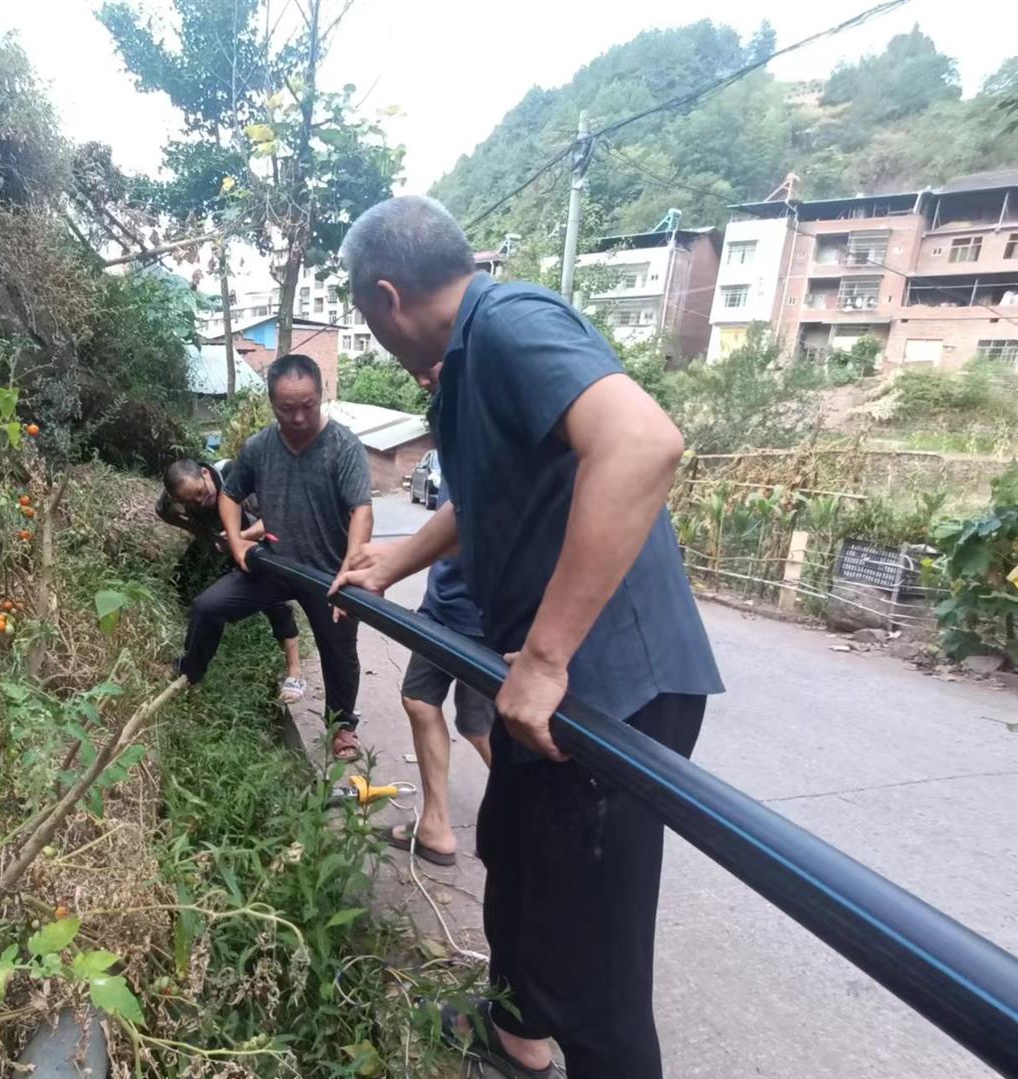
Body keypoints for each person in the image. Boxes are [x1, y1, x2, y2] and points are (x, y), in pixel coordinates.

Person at [333, 196, 723, 1079]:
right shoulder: (464, 368)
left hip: (612, 687)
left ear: (385, 298)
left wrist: (546, 656)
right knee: (510, 849)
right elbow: (486, 502)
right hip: (538, 687)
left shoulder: (508, 322)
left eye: (364, 316)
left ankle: (574, 1046)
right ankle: (514, 1036)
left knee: (594, 951)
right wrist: (393, 562)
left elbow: (642, 445)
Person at [182, 353, 374, 760]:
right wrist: (237, 544)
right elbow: (231, 496)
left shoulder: (344, 447)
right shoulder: (259, 447)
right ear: (273, 404)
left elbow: (362, 510)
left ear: (321, 397)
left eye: (308, 405)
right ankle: (188, 679)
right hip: (276, 563)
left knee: (339, 649)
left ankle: (341, 728)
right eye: (288, 408)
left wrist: (351, 567)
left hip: (328, 573)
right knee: (207, 607)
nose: (300, 417)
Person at [390, 478, 495, 867]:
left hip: (485, 618)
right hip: (442, 606)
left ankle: (527, 821)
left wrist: (388, 566)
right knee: (419, 701)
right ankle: (435, 826)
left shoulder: (490, 431)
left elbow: (474, 523)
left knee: (479, 727)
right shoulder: (454, 438)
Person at [156, 457, 305, 703]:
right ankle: (189, 673)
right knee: (205, 607)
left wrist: (239, 536)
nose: (199, 502)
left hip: (268, 545)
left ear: (205, 473)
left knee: (276, 606)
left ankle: (295, 673)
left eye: (201, 494)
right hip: (232, 546)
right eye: (190, 502)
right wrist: (201, 533)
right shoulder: (179, 495)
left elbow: (278, 517)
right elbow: (163, 510)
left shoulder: (240, 476)